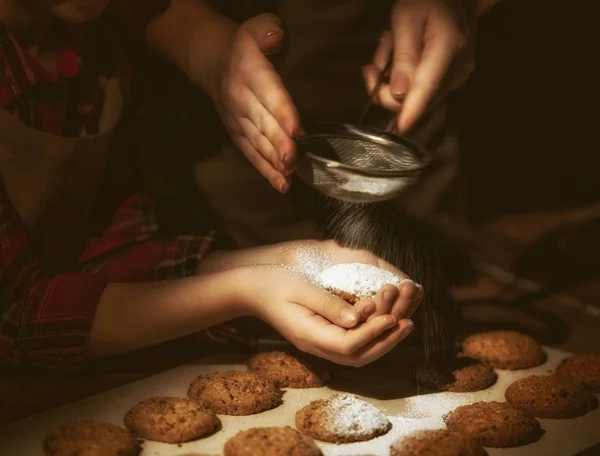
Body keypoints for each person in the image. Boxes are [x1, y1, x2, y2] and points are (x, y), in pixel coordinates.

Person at [0, 0, 422, 369]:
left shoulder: (94, 45)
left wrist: (290, 261)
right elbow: (14, 318)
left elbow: (111, 257)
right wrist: (244, 290)